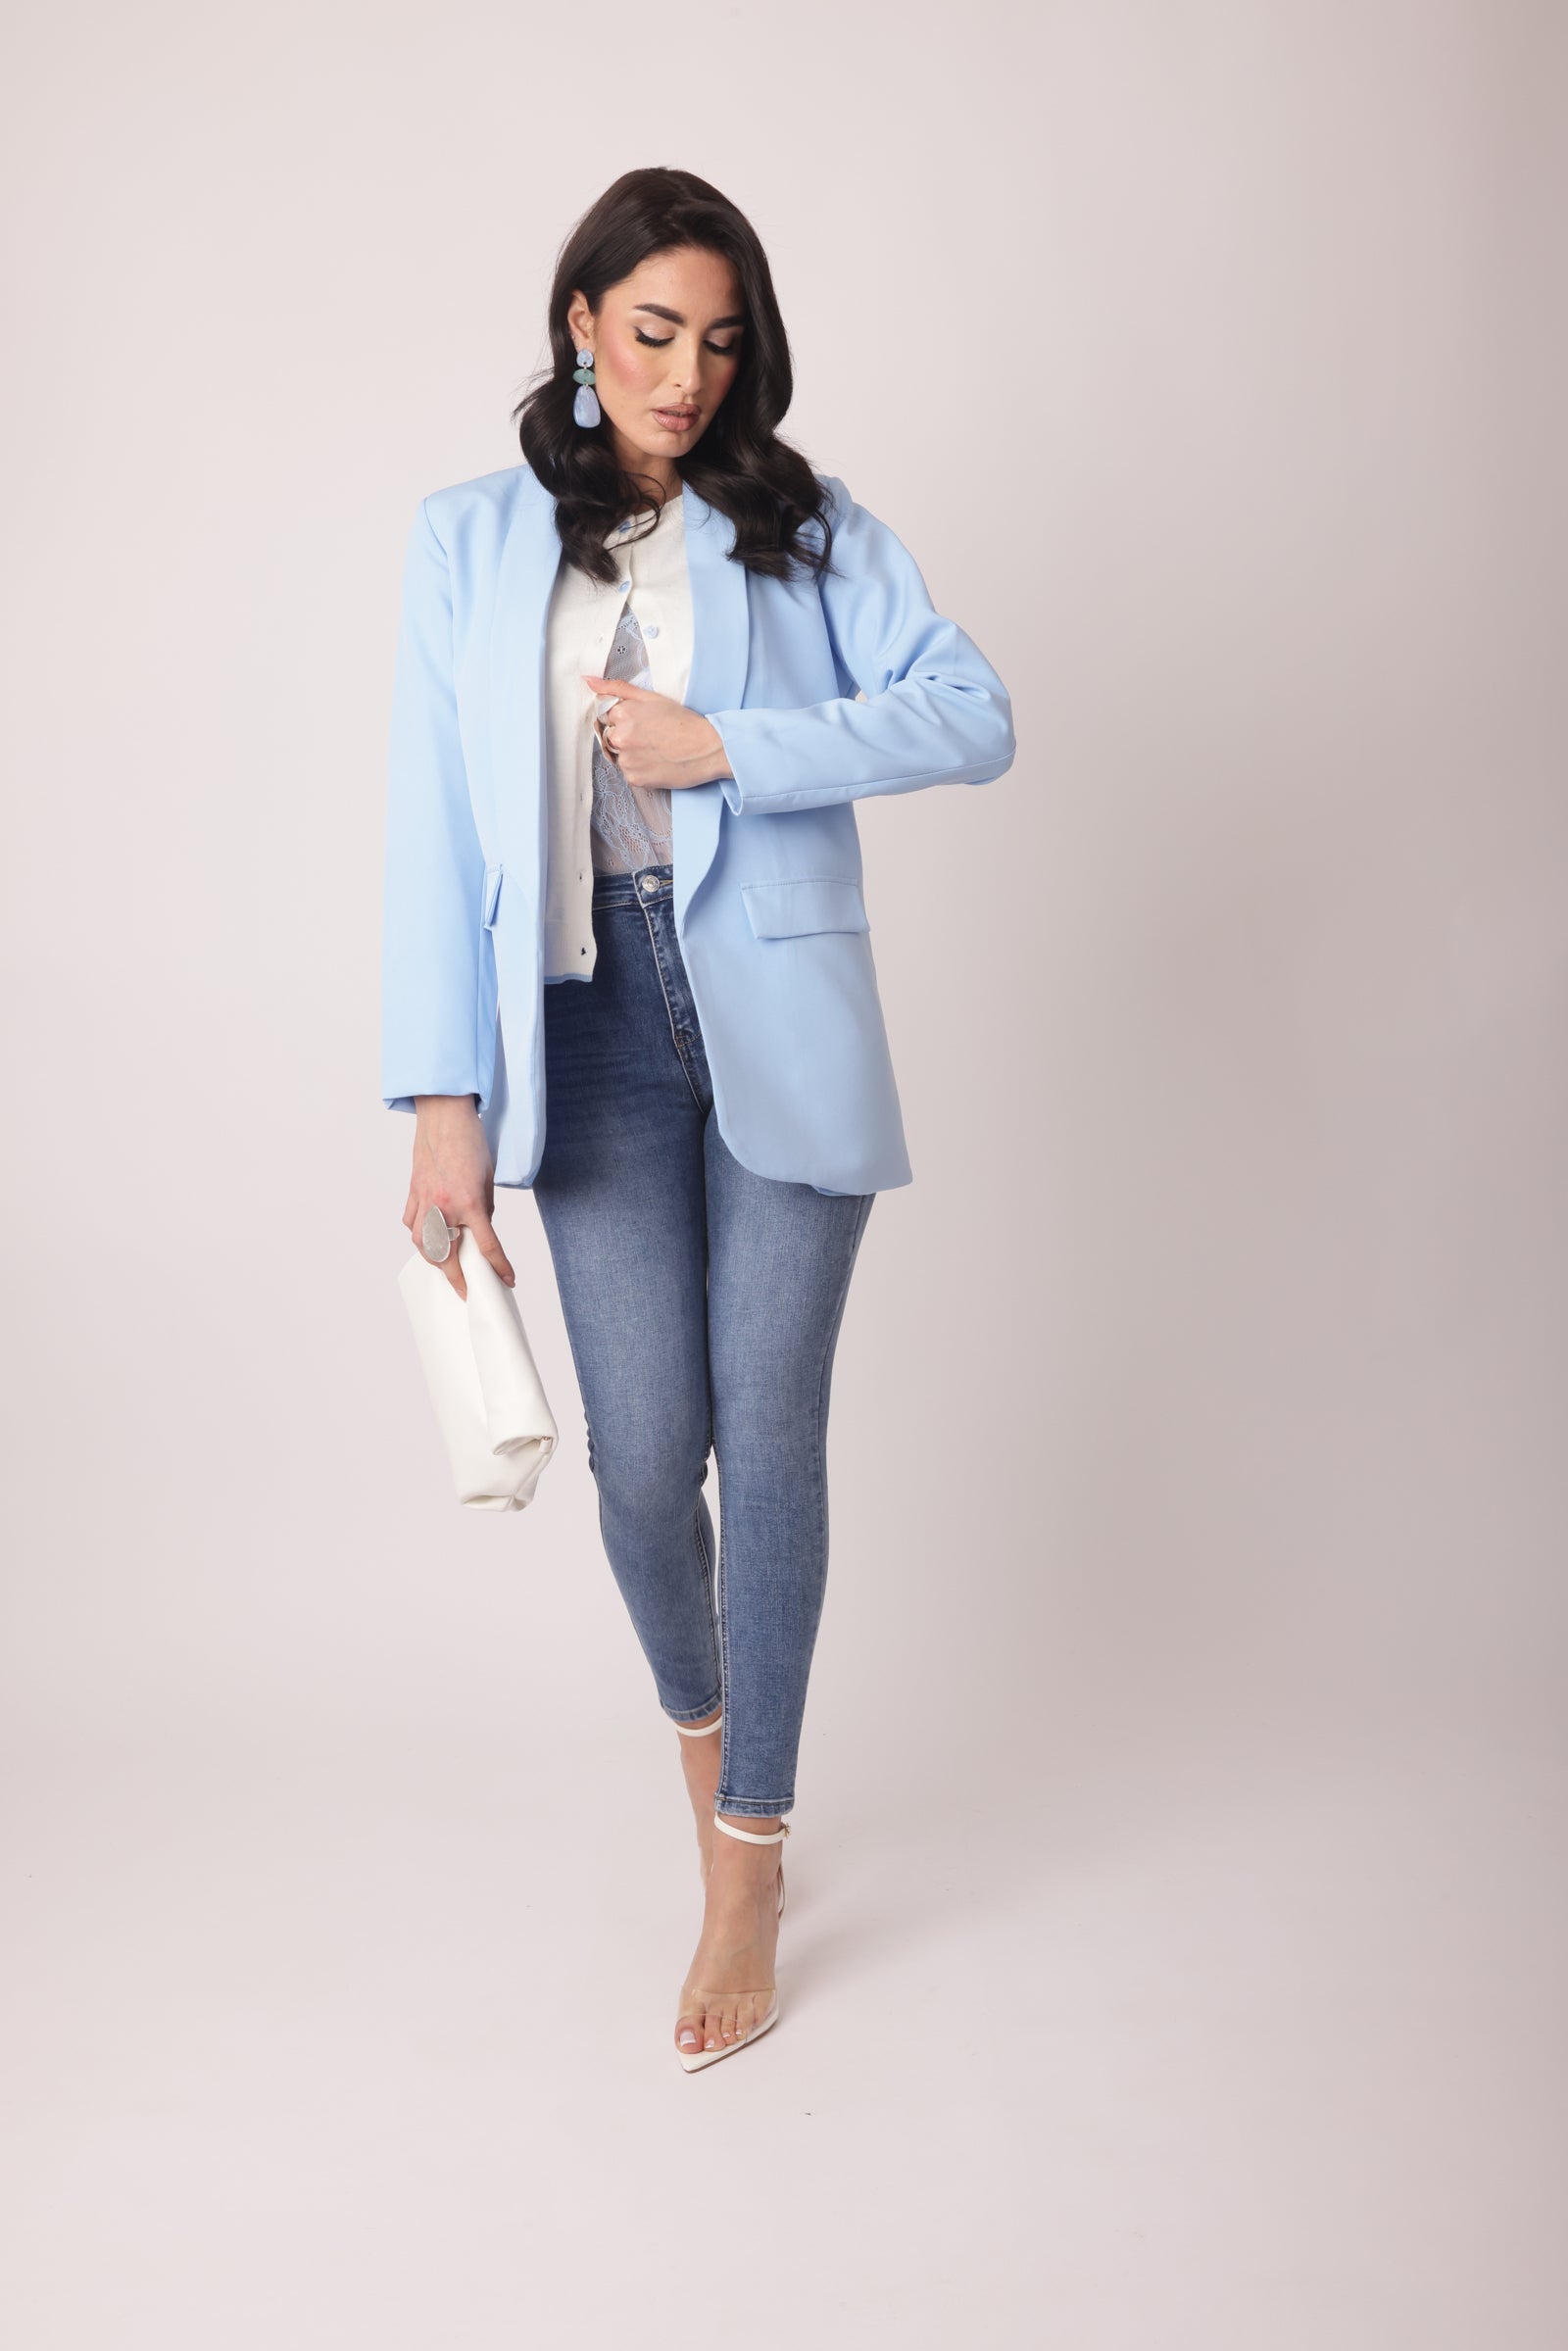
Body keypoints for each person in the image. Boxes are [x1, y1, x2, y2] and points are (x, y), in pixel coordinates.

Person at [381, 167, 1015, 2072]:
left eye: (719, 342)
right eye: (652, 331)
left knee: (771, 1435)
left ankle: (749, 1850)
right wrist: (439, 1102)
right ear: (580, 321)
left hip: (778, 1019)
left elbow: (970, 712)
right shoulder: (466, 539)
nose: (684, 375)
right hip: (583, 1031)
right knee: (645, 1462)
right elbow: (434, 835)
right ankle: (706, 1734)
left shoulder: (798, 523)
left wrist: (729, 744)